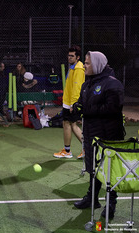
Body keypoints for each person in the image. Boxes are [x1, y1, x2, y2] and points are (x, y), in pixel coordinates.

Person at [73, 51, 125, 219]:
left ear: (97, 65)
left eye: (87, 63)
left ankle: (111, 203)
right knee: (93, 168)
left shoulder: (113, 84)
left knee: (109, 170)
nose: (85, 66)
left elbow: (113, 109)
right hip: (91, 133)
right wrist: (77, 107)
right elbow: (83, 103)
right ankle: (92, 198)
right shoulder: (87, 84)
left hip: (109, 134)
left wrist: (87, 111)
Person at [53, 45, 85, 159]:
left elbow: (77, 88)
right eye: (69, 55)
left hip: (73, 103)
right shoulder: (73, 67)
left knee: (71, 124)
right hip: (68, 102)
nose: (69, 57)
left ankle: (83, 149)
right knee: (68, 123)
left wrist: (73, 104)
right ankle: (68, 151)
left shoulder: (79, 69)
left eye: (72, 56)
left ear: (78, 57)